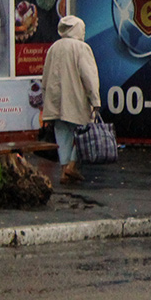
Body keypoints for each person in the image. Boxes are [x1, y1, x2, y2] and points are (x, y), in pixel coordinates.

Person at [41, 15, 100, 184]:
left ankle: (63, 170)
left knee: (62, 135)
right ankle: (72, 166)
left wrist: (46, 98)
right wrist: (95, 100)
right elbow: (89, 77)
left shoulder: (54, 47)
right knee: (83, 133)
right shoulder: (82, 48)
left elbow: (45, 76)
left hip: (56, 101)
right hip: (76, 100)